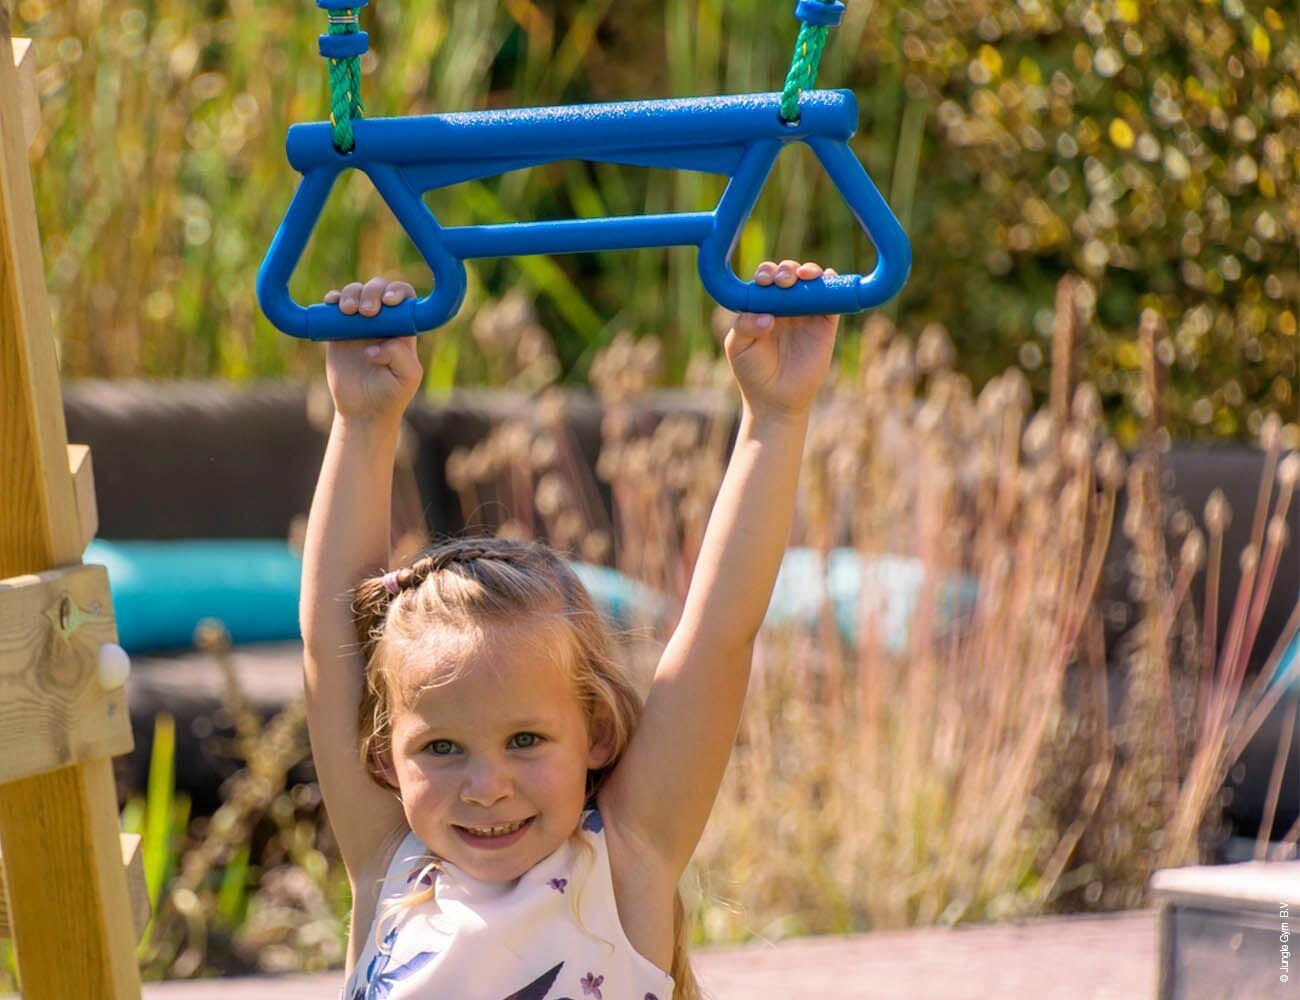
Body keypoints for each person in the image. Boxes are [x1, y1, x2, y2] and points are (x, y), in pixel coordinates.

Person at [303, 261, 841, 999]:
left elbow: (719, 635)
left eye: (525, 740)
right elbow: (332, 645)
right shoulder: (390, 866)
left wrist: (775, 418)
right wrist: (362, 422)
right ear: (384, 755)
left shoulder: (621, 862)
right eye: (441, 747)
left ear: (595, 732)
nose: (486, 787)